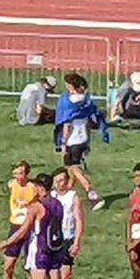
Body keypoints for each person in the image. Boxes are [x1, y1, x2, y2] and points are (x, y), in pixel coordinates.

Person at [56, 73, 107, 210]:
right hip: (83, 138)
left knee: (73, 167)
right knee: (70, 170)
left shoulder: (67, 102)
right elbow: (88, 123)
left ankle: (91, 192)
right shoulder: (86, 101)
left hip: (72, 141)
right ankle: (65, 193)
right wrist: (88, 142)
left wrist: (63, 144)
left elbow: (67, 125)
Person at [52, 167, 83, 279]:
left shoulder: (73, 197)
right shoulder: (52, 196)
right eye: (56, 181)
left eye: (62, 180)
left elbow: (79, 220)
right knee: (55, 275)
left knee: (66, 275)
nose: (59, 184)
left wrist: (77, 241)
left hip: (67, 238)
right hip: (53, 240)